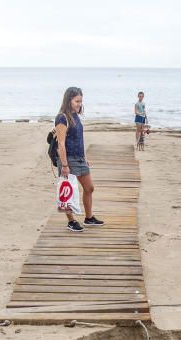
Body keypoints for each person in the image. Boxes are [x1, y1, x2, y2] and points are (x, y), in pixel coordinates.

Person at [55, 86, 104, 232]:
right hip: (68, 160)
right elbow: (61, 144)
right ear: (68, 100)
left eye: (81, 101)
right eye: (77, 101)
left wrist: (85, 157)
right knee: (68, 192)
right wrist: (64, 164)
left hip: (80, 158)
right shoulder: (61, 118)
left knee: (89, 188)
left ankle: (89, 218)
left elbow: (79, 139)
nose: (79, 104)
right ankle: (71, 221)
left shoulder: (75, 115)